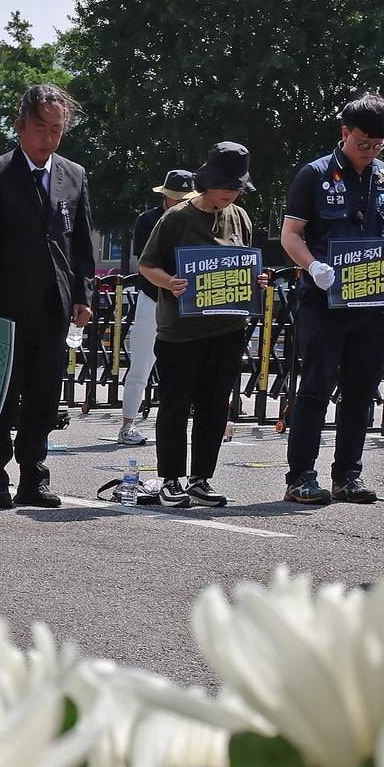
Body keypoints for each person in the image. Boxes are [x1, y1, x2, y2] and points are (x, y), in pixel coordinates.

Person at [280, 91, 384, 505]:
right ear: (345, 133)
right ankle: (301, 475)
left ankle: (348, 475)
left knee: (361, 388)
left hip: (373, 300)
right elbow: (290, 235)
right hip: (325, 298)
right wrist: (313, 267)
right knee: (317, 385)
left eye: (378, 145)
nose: (370, 152)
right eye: (363, 144)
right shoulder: (314, 174)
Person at [0, 84, 94, 510]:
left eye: (57, 130)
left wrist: (83, 293)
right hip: (2, 305)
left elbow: (80, 246)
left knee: (43, 395)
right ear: (20, 126)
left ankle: (33, 477)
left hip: (54, 304)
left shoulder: (74, 175)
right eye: (40, 128)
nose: (48, 138)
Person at [136, 142, 257, 509]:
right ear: (208, 183)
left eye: (238, 187)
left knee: (215, 405)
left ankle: (201, 478)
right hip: (181, 331)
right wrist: (169, 282)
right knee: (175, 404)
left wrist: (257, 280)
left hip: (227, 329)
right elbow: (147, 265)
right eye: (228, 186)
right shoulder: (175, 218)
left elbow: (246, 264)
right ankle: (170, 479)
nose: (234, 193)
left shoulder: (241, 217)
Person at [117, 167, 193, 447]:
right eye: (175, 197)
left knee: (186, 366)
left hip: (186, 300)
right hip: (153, 296)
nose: (179, 202)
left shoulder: (198, 218)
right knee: (141, 361)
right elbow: (145, 263)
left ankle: (179, 426)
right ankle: (127, 423)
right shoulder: (147, 220)